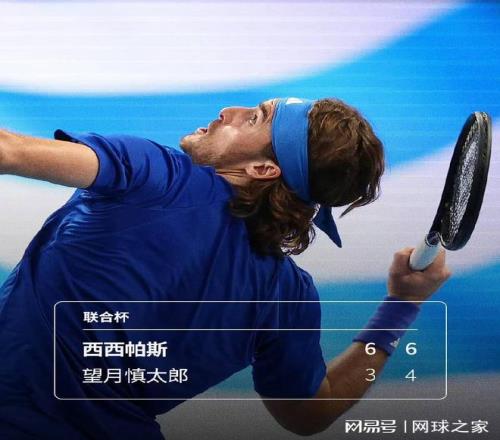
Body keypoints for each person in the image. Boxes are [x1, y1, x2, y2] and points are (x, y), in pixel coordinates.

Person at [0, 97, 451, 439]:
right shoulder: (288, 298)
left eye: (254, 118)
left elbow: (8, 151)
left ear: (263, 168)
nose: (228, 112)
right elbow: (309, 413)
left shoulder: (156, 173)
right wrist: (402, 305)